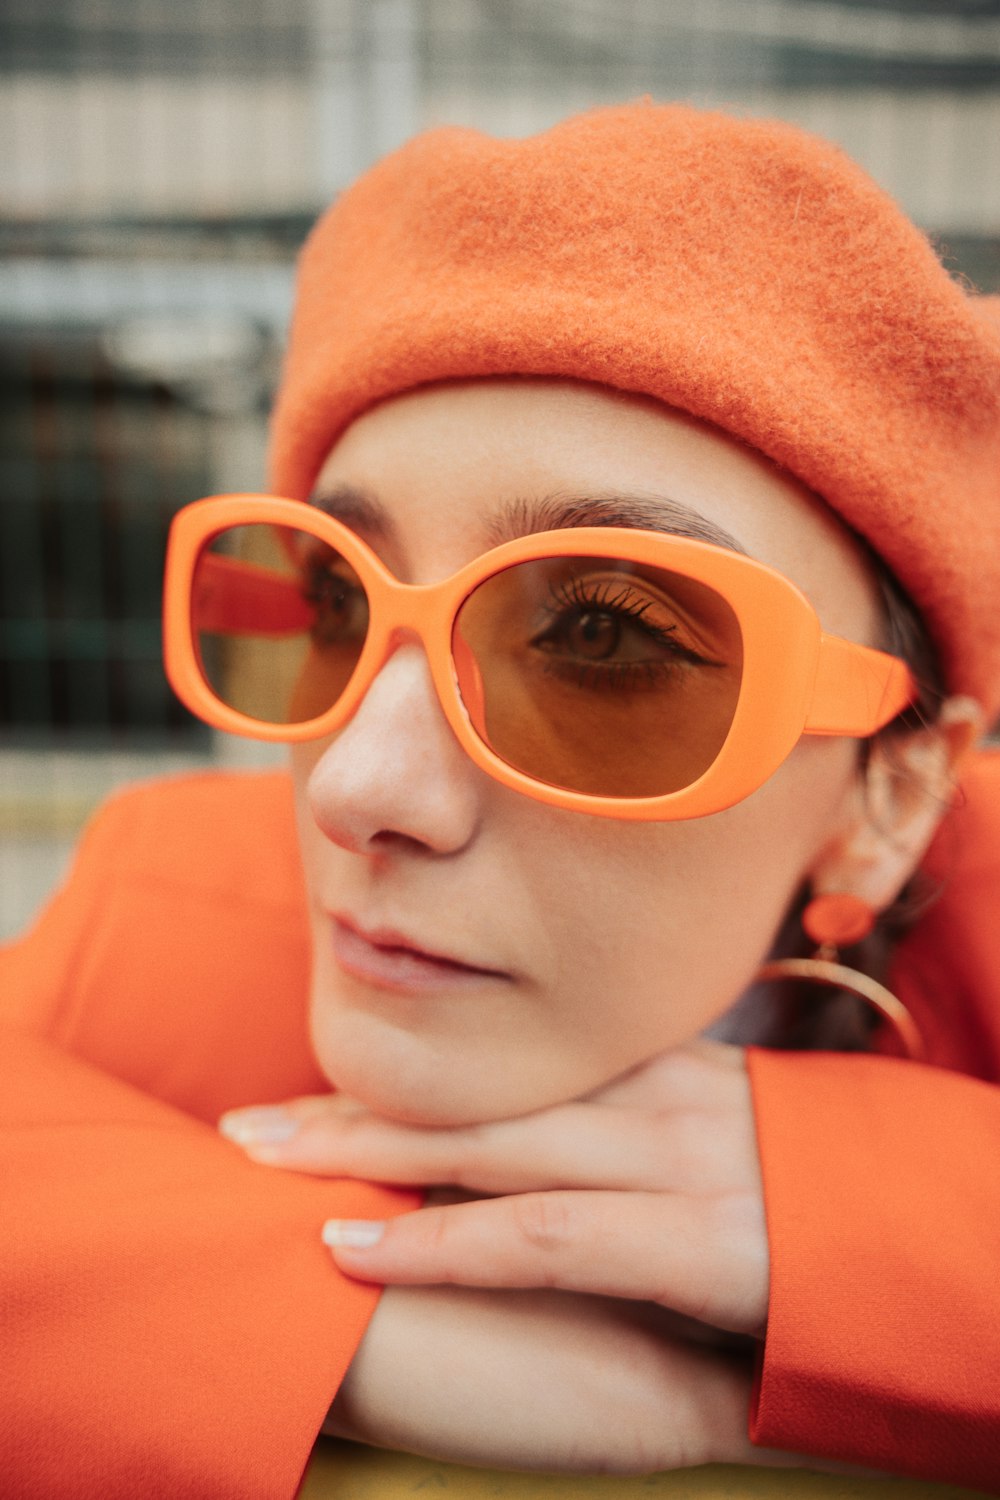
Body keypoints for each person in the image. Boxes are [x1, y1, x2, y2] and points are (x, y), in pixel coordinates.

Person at [3, 100, 1000, 1498]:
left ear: (893, 791)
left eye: (601, 635)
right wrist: (331, 1327)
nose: (357, 785)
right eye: (341, 599)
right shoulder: (159, 903)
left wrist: (867, 1219)